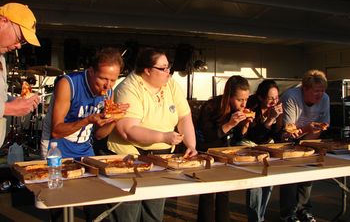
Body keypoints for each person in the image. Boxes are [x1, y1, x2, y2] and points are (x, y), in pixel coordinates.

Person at [105, 47, 197, 222]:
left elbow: (184, 116)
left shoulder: (170, 84)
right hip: (129, 155)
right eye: (163, 68)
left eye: (168, 67)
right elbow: (128, 130)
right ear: (147, 70)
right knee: (128, 212)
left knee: (154, 210)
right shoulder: (129, 87)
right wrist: (164, 137)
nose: (168, 72)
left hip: (161, 157)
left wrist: (191, 145)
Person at [41, 47, 129, 159]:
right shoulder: (68, 84)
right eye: (103, 78)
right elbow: (56, 132)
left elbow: (99, 135)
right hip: (56, 147)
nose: (108, 85)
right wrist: (88, 120)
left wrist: (114, 119)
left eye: (113, 80)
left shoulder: (108, 92)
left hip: (84, 147)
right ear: (91, 72)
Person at [195, 75, 253, 222]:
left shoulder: (241, 110)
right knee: (208, 193)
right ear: (229, 96)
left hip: (226, 154)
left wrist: (245, 125)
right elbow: (206, 137)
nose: (243, 104)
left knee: (224, 192)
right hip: (207, 153)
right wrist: (229, 125)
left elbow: (239, 138)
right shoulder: (211, 107)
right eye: (240, 99)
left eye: (246, 99)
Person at [279, 69, 330, 222]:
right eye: (316, 91)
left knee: (308, 176)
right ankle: (288, 214)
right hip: (288, 139)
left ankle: (303, 209)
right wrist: (306, 130)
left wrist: (308, 144)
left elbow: (324, 124)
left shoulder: (325, 98)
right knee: (290, 178)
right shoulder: (291, 97)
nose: (319, 95)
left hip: (310, 138)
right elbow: (288, 131)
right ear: (304, 89)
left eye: (322, 90)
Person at [0, 2, 41, 147]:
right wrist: (10, 108)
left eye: (22, 42)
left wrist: (19, 101)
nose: (18, 45)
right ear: (3, 21)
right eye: (20, 38)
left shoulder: (1, 56)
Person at [245, 79, 283, 222]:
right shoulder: (251, 107)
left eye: (277, 97)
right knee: (255, 184)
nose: (274, 101)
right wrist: (269, 120)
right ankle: (255, 219)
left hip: (268, 149)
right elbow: (254, 136)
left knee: (268, 182)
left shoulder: (277, 108)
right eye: (270, 98)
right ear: (260, 97)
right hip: (250, 148)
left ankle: (261, 216)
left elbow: (277, 134)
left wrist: (285, 132)